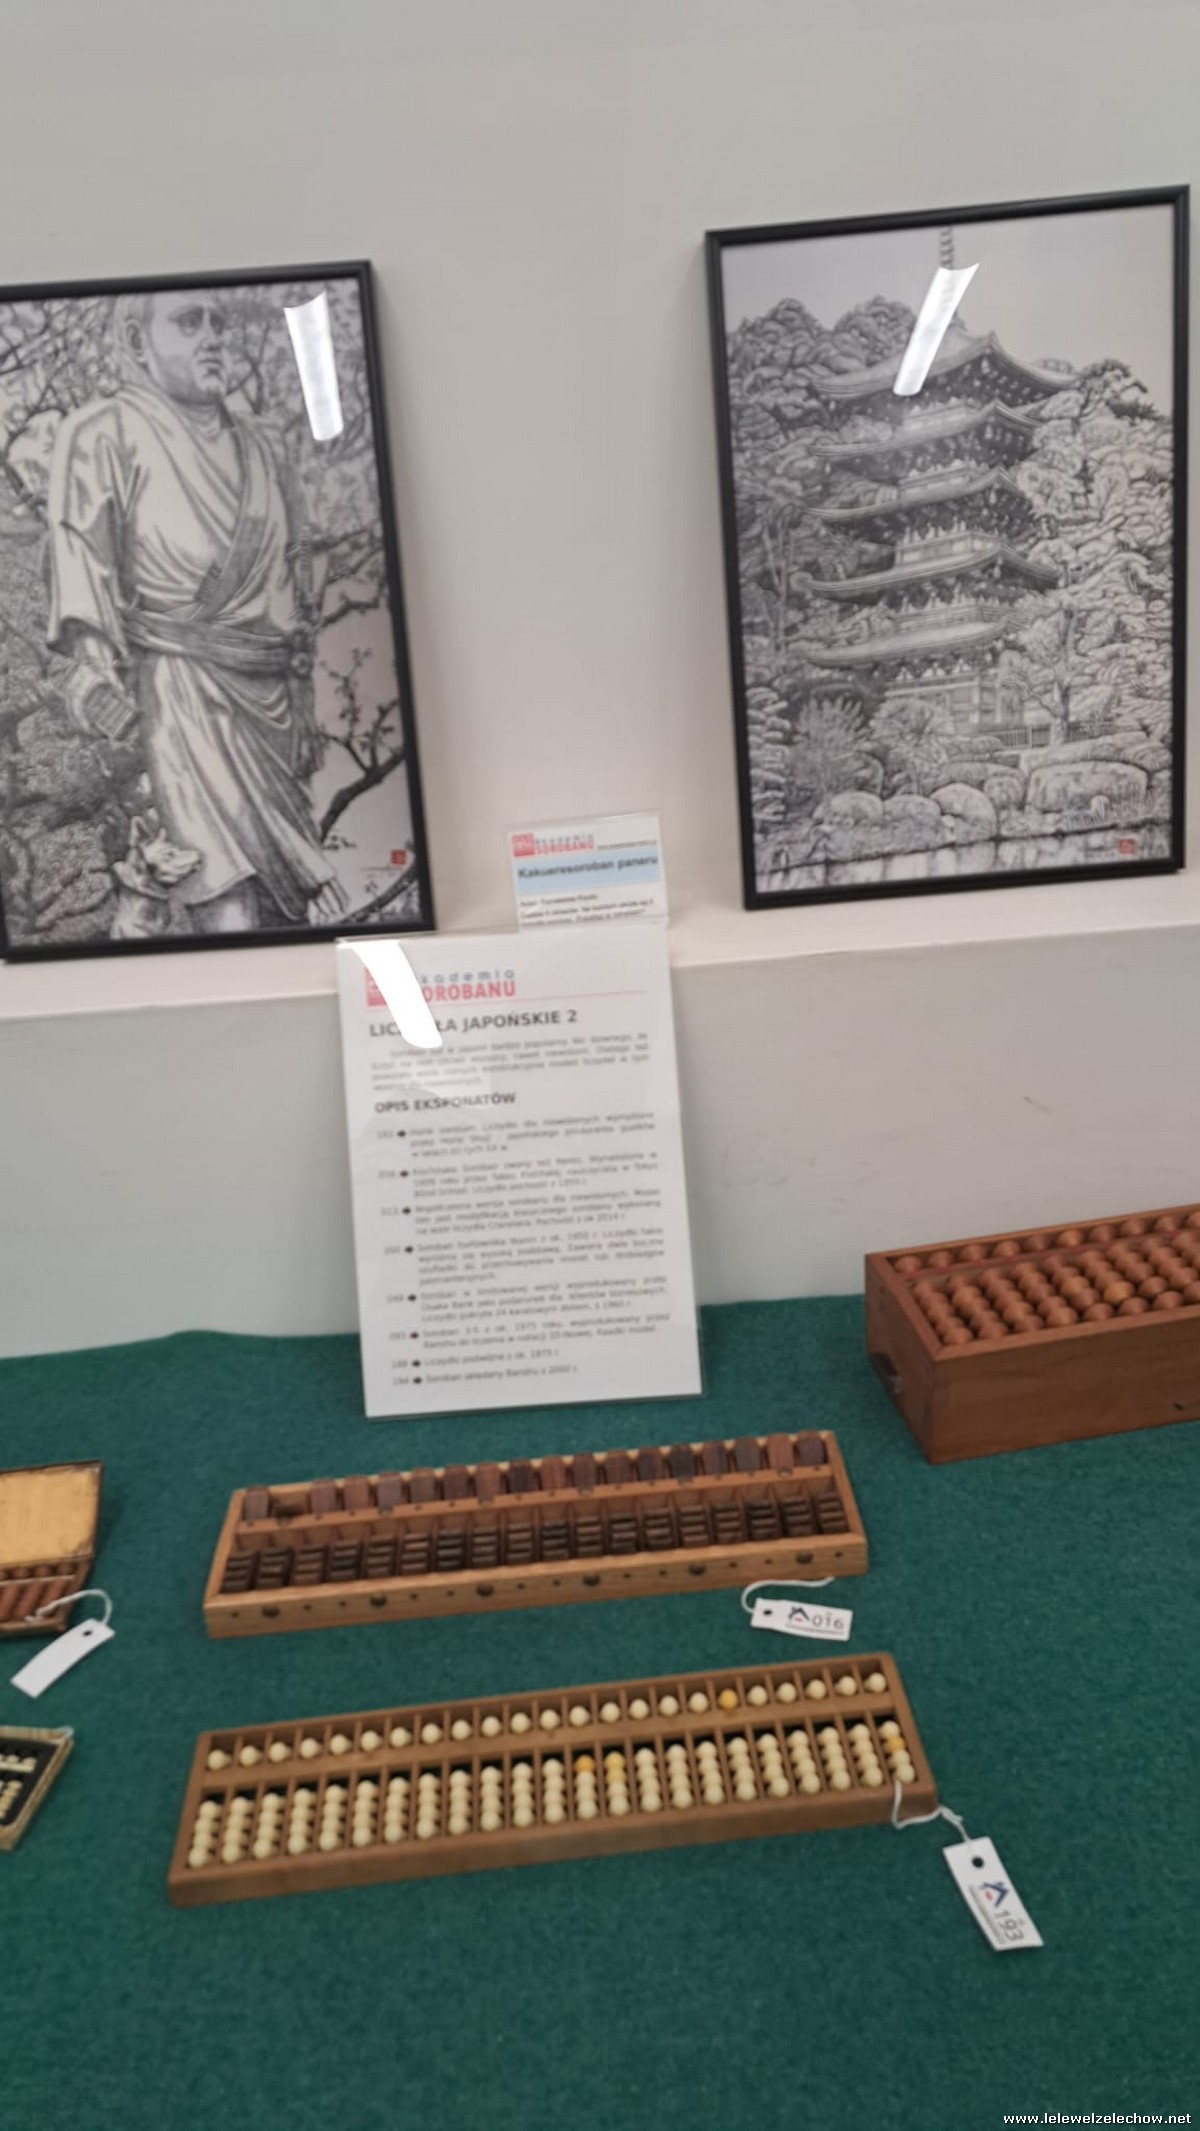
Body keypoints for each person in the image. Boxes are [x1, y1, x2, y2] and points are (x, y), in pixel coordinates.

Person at [46, 289, 347, 935]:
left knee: (289, 914)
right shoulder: (102, 433)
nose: (213, 336)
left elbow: (302, 563)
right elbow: (81, 554)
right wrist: (94, 666)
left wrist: (300, 671)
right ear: (137, 342)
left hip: (272, 703)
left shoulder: (267, 446)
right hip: (180, 693)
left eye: (219, 322)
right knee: (225, 899)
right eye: (190, 322)